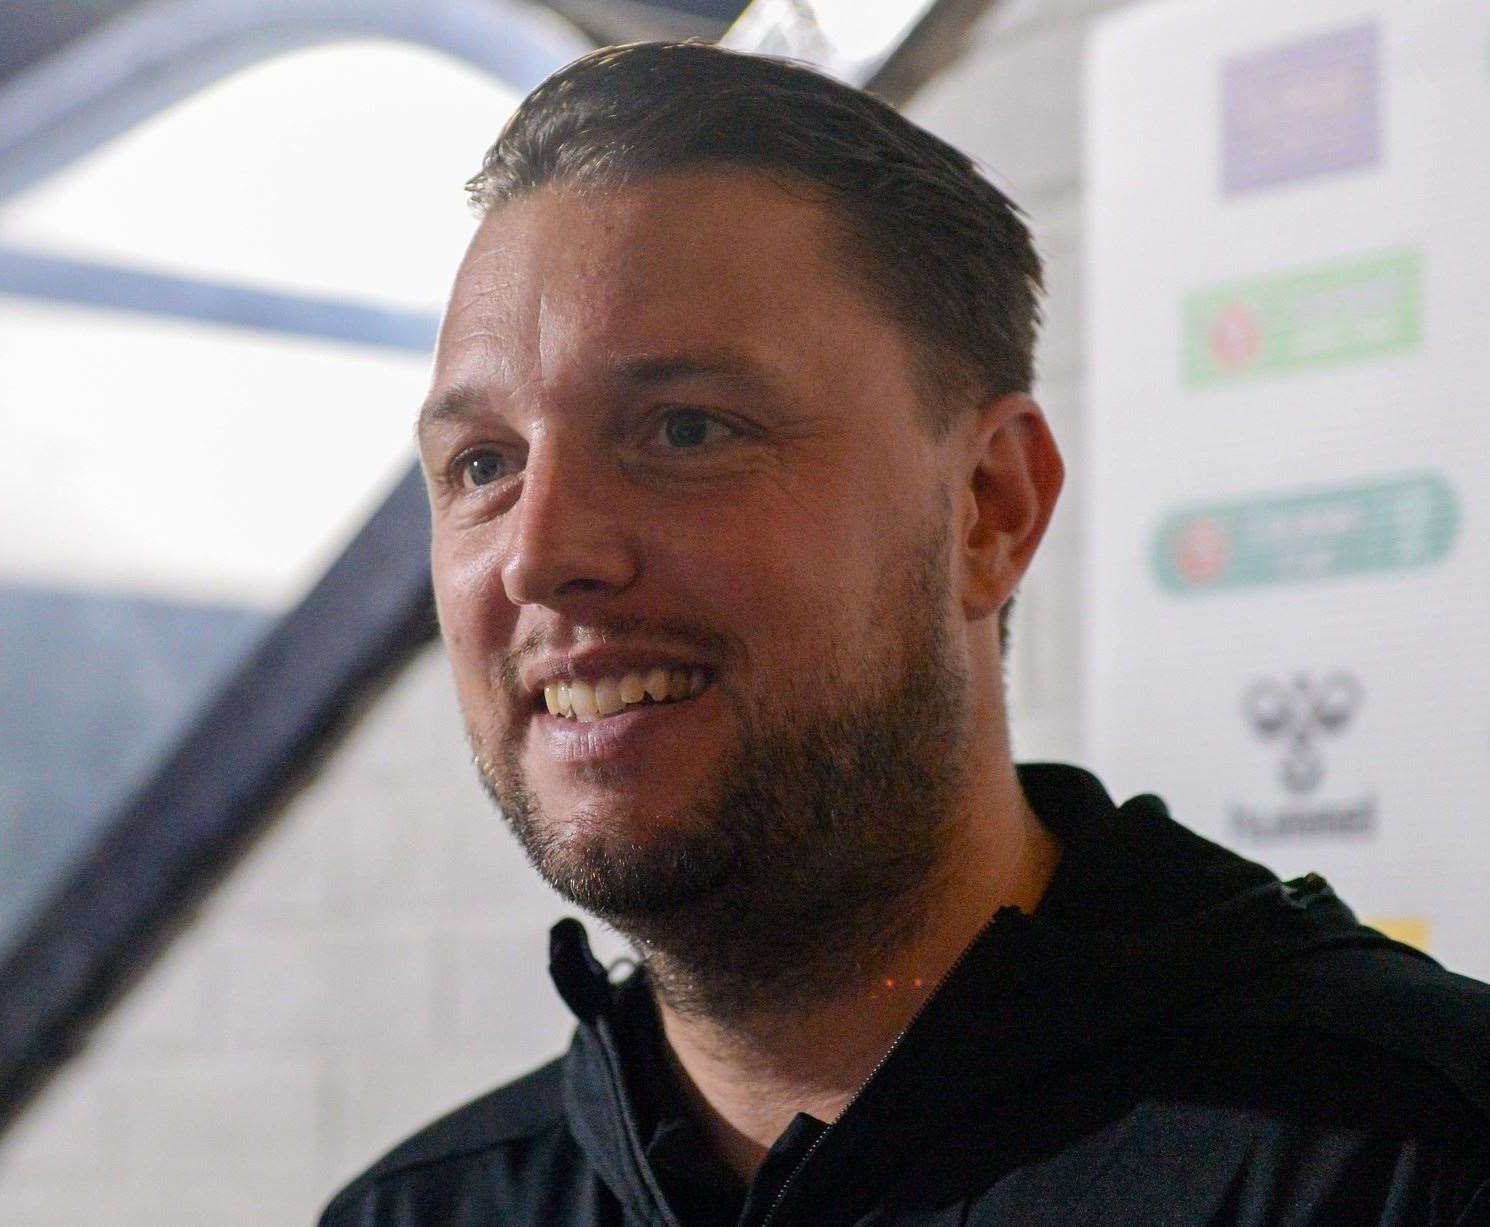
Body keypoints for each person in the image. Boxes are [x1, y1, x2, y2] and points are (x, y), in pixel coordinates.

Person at [321, 40, 1490, 1227]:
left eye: (683, 431)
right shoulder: (420, 1212)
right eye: (483, 464)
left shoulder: (1403, 1160)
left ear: (989, 508)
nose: (539, 553)